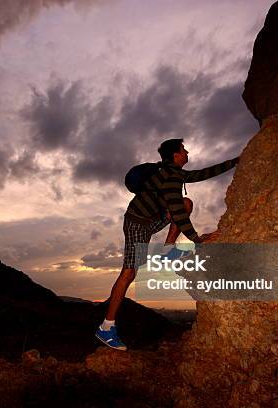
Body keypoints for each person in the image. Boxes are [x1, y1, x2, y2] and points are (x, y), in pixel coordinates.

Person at [95, 138, 239, 350]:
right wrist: (197, 239)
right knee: (129, 272)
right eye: (183, 149)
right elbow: (179, 216)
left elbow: (202, 174)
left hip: (152, 218)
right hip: (137, 223)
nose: (187, 151)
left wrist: (235, 162)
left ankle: (168, 250)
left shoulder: (174, 172)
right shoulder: (169, 178)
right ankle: (106, 327)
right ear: (175, 155)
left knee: (186, 203)